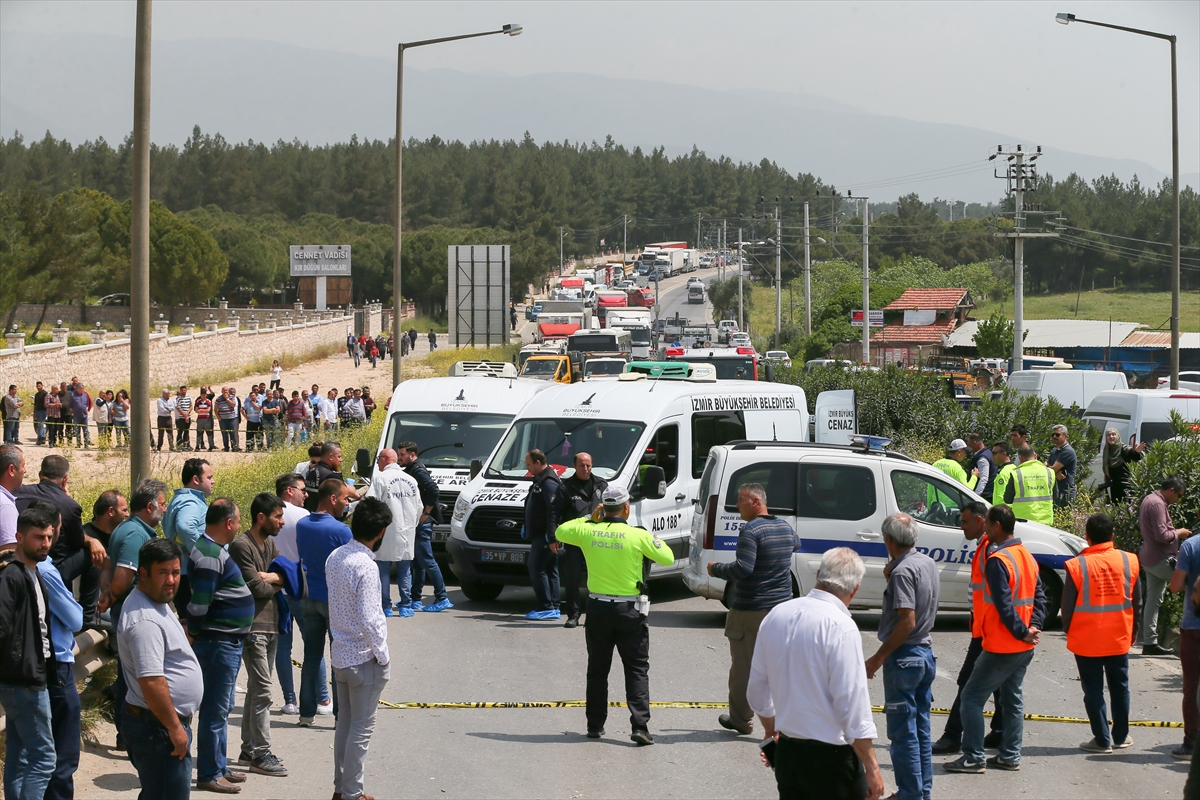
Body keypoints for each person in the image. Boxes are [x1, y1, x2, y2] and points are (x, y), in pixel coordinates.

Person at [747, 547, 884, 800]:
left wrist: (771, 730)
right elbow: (851, 705)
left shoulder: (777, 614)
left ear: (819, 574)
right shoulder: (842, 627)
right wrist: (872, 766)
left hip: (789, 753)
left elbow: (757, 689)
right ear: (856, 589)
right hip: (833, 760)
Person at [553, 485, 674, 744]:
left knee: (597, 669)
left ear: (602, 507)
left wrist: (589, 517)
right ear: (626, 508)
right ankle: (639, 727)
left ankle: (595, 725)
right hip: (630, 610)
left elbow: (560, 531)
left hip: (597, 608)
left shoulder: (588, 531)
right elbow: (667, 556)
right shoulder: (636, 535)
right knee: (637, 668)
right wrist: (650, 538)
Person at [945, 504, 1046, 775]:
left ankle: (973, 757)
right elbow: (1039, 597)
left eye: (988, 524)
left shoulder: (998, 560)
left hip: (1003, 644)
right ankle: (1010, 755)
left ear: (997, 526)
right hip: (1024, 644)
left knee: (971, 697)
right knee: (1012, 700)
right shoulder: (1026, 556)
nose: (985, 529)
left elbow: (1003, 606)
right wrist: (1032, 628)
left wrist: (1021, 631)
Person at [706, 483, 800, 737]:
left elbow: (743, 569)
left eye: (741, 500)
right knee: (779, 667)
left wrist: (715, 568)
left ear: (756, 501)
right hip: (781, 611)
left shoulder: (751, 530)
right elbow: (795, 545)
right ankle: (788, 722)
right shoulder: (784, 526)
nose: (737, 505)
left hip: (751, 610)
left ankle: (740, 719)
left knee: (744, 668)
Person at [117, 538, 203, 800]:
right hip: (157, 729)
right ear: (143, 574)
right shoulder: (145, 621)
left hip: (158, 725)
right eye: (163, 572)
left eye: (176, 572)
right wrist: (175, 729)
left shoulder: (157, 601)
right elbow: (152, 681)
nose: (171, 580)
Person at [865, 513, 939, 800]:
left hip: (905, 657)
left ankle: (910, 793)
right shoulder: (926, 563)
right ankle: (921, 791)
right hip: (924, 653)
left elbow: (906, 620)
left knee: (902, 733)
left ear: (889, 541)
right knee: (920, 729)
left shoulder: (902, 572)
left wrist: (877, 657)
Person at [186, 497, 254, 794]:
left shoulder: (212, 550)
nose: (239, 527)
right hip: (218, 642)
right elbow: (200, 604)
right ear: (228, 523)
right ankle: (210, 773)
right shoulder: (211, 555)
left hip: (225, 640)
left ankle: (219, 765)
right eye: (238, 521)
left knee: (222, 707)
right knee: (215, 709)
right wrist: (196, 631)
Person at [327, 497, 393, 800]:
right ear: (380, 532)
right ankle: (352, 793)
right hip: (363, 659)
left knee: (346, 726)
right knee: (360, 731)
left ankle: (343, 789)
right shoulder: (366, 566)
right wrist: (383, 656)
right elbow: (371, 619)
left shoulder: (336, 556)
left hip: (340, 654)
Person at [1063, 512, 1139, 754]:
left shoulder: (1078, 565)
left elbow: (1067, 606)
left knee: (1093, 690)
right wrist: (1133, 631)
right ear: (1113, 536)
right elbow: (1137, 601)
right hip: (1118, 636)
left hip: (1087, 639)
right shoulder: (1130, 561)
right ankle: (1121, 736)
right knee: (1120, 687)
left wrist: (1069, 631)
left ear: (1087, 537)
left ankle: (1102, 739)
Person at [933, 501, 1004, 755]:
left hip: (988, 630)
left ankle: (953, 736)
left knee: (967, 683)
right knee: (999, 682)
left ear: (980, 521)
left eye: (964, 522)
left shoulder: (989, 549)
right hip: (986, 627)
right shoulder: (985, 546)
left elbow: (998, 594)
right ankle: (1001, 732)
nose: (960, 527)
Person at [0, 507, 59, 800]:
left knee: (20, 755)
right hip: (24, 679)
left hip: (28, 675)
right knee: (44, 758)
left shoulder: (32, 573)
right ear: (19, 537)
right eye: (38, 538)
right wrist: (18, 665)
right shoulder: (11, 576)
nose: (45, 543)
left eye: (49, 537)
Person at [228, 493, 289, 777]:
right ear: (261, 517)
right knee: (263, 690)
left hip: (272, 624)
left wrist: (274, 578)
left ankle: (248, 749)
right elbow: (257, 588)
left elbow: (290, 574)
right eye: (277, 516)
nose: (282, 522)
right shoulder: (241, 545)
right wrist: (272, 580)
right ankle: (261, 752)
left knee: (256, 689)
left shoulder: (272, 544)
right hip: (253, 628)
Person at [28, 501, 84, 800]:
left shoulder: (19, 566)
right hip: (58, 668)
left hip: (37, 666)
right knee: (63, 755)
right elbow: (75, 619)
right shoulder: (47, 572)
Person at [14, 454, 106, 629]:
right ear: (65, 480)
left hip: (24, 558)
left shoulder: (18, 492)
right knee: (92, 554)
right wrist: (93, 541)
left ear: (40, 474)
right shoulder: (69, 505)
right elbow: (78, 541)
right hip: (53, 567)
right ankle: (87, 616)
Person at [295, 478, 355, 725]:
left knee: (311, 656)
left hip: (309, 598)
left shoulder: (302, 524)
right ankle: (341, 715)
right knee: (338, 658)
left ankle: (306, 713)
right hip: (334, 601)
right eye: (345, 499)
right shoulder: (341, 530)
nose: (346, 504)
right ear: (332, 498)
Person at [552, 452, 608, 628]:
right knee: (572, 579)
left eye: (589, 465)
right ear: (575, 466)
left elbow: (611, 509)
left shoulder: (602, 485)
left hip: (596, 540)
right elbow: (553, 514)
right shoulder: (565, 487)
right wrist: (553, 537)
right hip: (575, 540)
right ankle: (573, 615)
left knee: (597, 578)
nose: (586, 469)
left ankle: (595, 615)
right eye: (582, 465)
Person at [1139, 475, 1191, 657]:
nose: (1178, 500)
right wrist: (1179, 533)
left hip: (1151, 558)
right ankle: (1191, 636)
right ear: (1171, 491)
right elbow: (1162, 535)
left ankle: (1149, 642)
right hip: (1160, 560)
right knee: (1193, 586)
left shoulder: (1150, 499)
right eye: (1178, 496)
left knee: (1153, 601)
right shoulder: (1157, 504)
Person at [365, 449, 421, 618]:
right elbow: (418, 507)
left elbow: (371, 502)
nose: (377, 463)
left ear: (386, 459)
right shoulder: (411, 480)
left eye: (379, 459)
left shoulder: (380, 479)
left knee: (383, 569)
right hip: (407, 530)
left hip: (387, 530)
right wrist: (412, 524)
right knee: (405, 570)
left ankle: (386, 606)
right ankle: (405, 605)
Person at [398, 442, 452, 612]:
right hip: (417, 522)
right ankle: (415, 598)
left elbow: (433, 490)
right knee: (417, 563)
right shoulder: (412, 469)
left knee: (427, 561)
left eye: (402, 454)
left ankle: (442, 597)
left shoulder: (418, 470)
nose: (400, 458)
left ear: (412, 455)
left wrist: (426, 512)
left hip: (422, 522)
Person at [163, 458, 214, 617]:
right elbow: (185, 527)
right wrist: (201, 551)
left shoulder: (182, 500)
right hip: (191, 575)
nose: (213, 481)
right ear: (196, 479)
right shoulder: (190, 502)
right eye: (209, 477)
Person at [523, 448, 562, 621]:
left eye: (529, 464)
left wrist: (551, 536)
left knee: (536, 567)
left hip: (544, 536)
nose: (528, 468)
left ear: (538, 463)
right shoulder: (542, 479)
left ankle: (546, 606)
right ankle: (553, 606)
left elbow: (554, 510)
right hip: (541, 533)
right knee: (549, 569)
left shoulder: (548, 482)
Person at [1003, 445, 1055, 526]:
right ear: (1035, 456)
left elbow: (1007, 499)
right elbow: (1056, 495)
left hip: (1023, 522)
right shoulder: (1049, 472)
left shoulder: (1016, 473)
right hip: (1046, 522)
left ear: (1020, 457)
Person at [1101, 428, 1146, 502]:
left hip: (1126, 485)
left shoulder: (1124, 448)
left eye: (1113, 434)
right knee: (1115, 507)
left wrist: (1136, 451)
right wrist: (1106, 474)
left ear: (1117, 436)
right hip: (1113, 485)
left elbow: (1135, 456)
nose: (1111, 437)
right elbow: (1107, 466)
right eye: (1109, 435)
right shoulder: (1107, 450)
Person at [303, 440, 344, 512]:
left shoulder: (310, 472)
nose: (341, 460)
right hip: (327, 518)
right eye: (339, 457)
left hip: (311, 516)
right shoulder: (332, 476)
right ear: (331, 456)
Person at [1046, 424, 1077, 508]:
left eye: (1057, 435)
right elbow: (1047, 465)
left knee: (1065, 518)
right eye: (1053, 435)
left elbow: (1051, 469)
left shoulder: (1068, 451)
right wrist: (1056, 473)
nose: (1054, 437)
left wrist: (1053, 470)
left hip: (1066, 493)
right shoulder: (1054, 450)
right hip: (1056, 492)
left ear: (1065, 436)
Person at [0, 444, 22, 551]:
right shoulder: (5, 505)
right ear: (11, 470)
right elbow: (8, 552)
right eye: (23, 466)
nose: (25, 471)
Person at [966, 433, 996, 502]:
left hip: (984, 497)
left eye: (969, 445)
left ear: (975, 443)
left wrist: (975, 497)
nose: (969, 447)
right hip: (988, 495)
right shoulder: (988, 452)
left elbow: (983, 479)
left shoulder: (982, 459)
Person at [215, 387, 241, 452]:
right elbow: (215, 409)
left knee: (233, 434)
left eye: (226, 390)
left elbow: (233, 405)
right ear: (222, 391)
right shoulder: (218, 399)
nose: (225, 391)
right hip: (222, 420)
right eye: (224, 390)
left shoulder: (232, 397)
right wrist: (218, 417)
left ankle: (234, 447)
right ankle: (226, 447)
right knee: (224, 434)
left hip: (232, 419)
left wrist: (227, 399)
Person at [67, 382, 91, 448]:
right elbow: (70, 406)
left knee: (85, 431)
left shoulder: (85, 395)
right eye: (81, 388)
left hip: (84, 416)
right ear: (78, 388)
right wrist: (73, 412)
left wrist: (86, 410)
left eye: (83, 388)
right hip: (76, 416)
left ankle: (86, 444)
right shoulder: (73, 395)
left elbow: (88, 403)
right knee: (77, 431)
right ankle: (78, 444)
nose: (83, 389)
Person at [194, 387, 215, 452]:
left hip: (207, 419)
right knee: (199, 433)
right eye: (202, 395)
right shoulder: (198, 401)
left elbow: (208, 410)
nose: (203, 396)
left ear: (206, 395)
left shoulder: (208, 401)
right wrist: (202, 410)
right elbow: (196, 410)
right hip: (200, 419)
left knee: (209, 432)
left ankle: (211, 446)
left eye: (204, 395)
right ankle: (197, 446)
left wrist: (201, 410)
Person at [243, 387, 264, 452]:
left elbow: (259, 409)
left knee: (259, 435)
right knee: (249, 435)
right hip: (250, 421)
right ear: (250, 397)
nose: (253, 397)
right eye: (251, 396)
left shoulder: (259, 402)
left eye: (254, 396)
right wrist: (245, 416)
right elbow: (242, 409)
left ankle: (260, 448)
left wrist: (253, 404)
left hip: (258, 421)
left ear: (256, 396)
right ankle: (249, 448)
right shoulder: (247, 403)